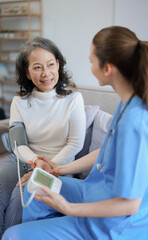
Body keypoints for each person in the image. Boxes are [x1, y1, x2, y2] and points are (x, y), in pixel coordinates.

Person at [3, 25, 148, 240]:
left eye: (91, 61)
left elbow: (130, 205)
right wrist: (58, 169)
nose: (90, 67)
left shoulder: (138, 123)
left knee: (13, 235)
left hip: (119, 224)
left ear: (108, 68)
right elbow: (105, 151)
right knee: (34, 186)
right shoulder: (126, 105)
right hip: (95, 191)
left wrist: (67, 208)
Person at [0, 37, 86, 238]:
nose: (46, 73)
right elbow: (18, 143)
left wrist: (48, 167)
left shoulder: (73, 99)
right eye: (37, 67)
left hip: (60, 165)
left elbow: (75, 143)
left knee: (18, 199)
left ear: (58, 65)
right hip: (23, 160)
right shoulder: (18, 103)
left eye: (50, 65)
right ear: (27, 73)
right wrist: (36, 161)